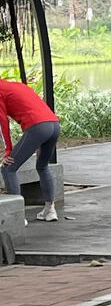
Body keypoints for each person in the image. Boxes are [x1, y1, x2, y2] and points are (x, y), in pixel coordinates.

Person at [0, 80, 61, 222]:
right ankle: (50, 210)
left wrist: (8, 150)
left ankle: (18, 217)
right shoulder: (16, 85)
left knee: (8, 168)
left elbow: (3, 123)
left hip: (37, 127)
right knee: (42, 166)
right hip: (54, 125)